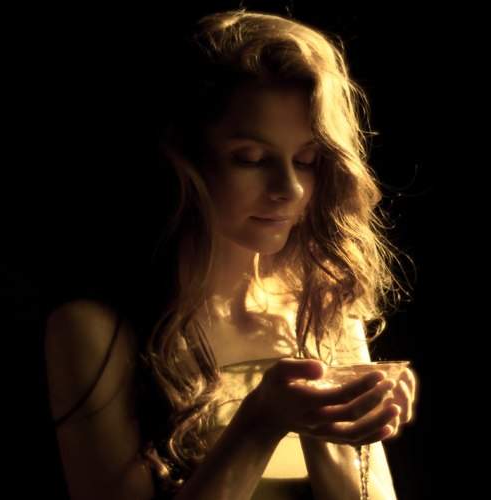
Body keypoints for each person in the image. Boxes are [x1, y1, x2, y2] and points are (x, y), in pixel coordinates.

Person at [43, 8, 418, 500]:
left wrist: (335, 430)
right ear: (182, 160)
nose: (289, 188)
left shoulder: (322, 306)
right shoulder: (96, 332)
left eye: (306, 160)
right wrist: (259, 424)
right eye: (252, 159)